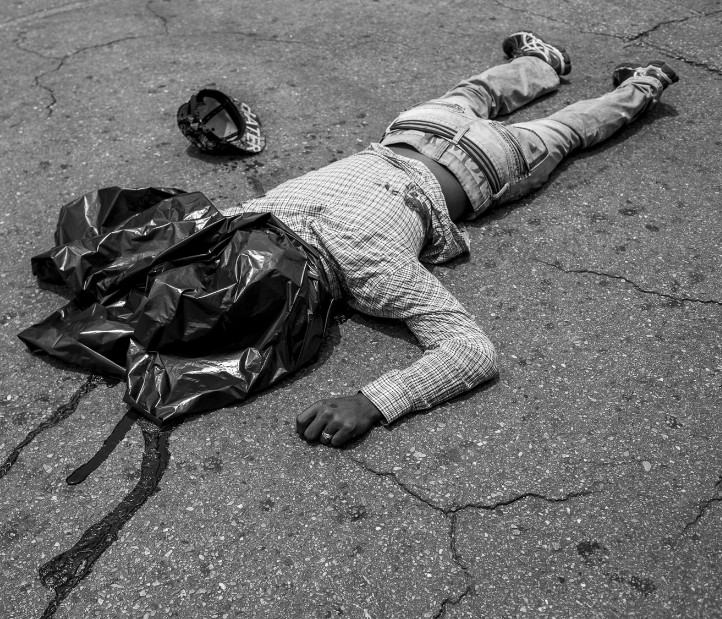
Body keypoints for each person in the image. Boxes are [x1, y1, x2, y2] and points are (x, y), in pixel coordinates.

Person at [219, 30, 680, 448]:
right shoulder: (261, 222)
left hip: (466, 154)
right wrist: (374, 402)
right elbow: (473, 353)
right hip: (441, 142)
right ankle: (571, 70)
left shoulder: (359, 268)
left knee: (561, 126)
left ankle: (625, 80)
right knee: (500, 104)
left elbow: (470, 351)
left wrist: (373, 402)